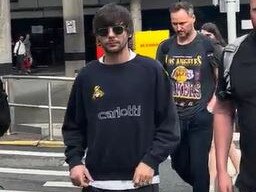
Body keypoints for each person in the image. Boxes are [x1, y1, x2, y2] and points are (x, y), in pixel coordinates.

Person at [62, 3, 180, 192]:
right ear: (97, 37)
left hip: (142, 181)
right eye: (103, 30)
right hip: (96, 183)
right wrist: (75, 162)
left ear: (129, 32)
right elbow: (73, 126)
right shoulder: (86, 76)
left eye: (117, 29)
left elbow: (169, 127)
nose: (111, 35)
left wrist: (150, 162)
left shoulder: (152, 71)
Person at [156, 2, 221, 192]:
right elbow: (159, 80)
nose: (179, 28)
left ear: (193, 18)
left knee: (199, 167)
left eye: (182, 23)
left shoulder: (208, 45)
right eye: (174, 23)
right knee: (179, 164)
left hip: (200, 116)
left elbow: (221, 78)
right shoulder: (165, 47)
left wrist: (211, 106)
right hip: (175, 117)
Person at [214, 0, 256, 191]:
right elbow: (224, 111)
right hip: (251, 180)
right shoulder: (233, 54)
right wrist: (222, 171)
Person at [200, 22, 241, 189]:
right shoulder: (206, 53)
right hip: (215, 103)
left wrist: (212, 103)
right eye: (202, 35)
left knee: (217, 144)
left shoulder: (218, 53)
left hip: (219, 103)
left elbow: (220, 82)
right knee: (222, 144)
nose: (205, 38)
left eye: (208, 35)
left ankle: (213, 182)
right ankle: (234, 172)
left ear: (215, 36)